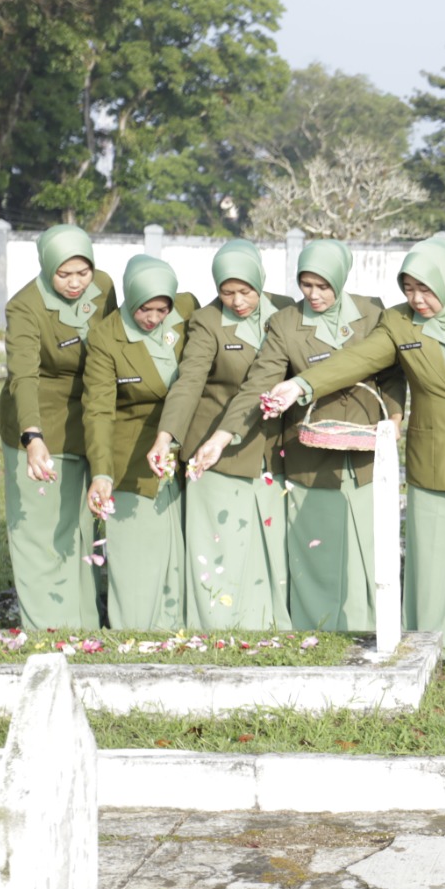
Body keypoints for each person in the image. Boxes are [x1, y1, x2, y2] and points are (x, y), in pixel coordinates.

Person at [259, 237, 445, 663]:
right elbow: (357, 360)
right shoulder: (399, 323)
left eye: (425, 289)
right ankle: (436, 638)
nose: (417, 298)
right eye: (408, 288)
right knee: (437, 554)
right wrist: (301, 384)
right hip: (435, 453)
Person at [193, 238, 406, 632]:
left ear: (340, 279)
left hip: (366, 453)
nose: (314, 294)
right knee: (317, 549)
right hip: (311, 452)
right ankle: (318, 630)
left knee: (372, 548)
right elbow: (258, 382)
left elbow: (392, 371)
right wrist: (222, 436)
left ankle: (375, 627)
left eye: (323, 285)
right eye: (306, 285)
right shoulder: (286, 323)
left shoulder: (373, 312)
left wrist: (394, 416)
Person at [152, 240, 294, 629]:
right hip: (215, 449)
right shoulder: (207, 321)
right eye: (226, 291)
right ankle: (216, 627)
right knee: (220, 545)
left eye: (245, 291)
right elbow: (189, 382)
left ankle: (267, 626)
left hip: (273, 448)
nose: (237, 300)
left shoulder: (287, 310)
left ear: (260, 282)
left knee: (269, 545)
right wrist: (167, 436)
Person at [0, 224, 117, 631]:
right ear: (46, 267)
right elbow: (23, 377)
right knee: (40, 530)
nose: (75, 282)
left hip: (89, 418)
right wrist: (32, 437)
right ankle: (48, 628)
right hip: (40, 423)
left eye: (82, 272)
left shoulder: (103, 287)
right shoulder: (25, 307)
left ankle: (83, 620)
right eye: (64, 274)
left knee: (79, 528)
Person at [82, 254, 197, 628]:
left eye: (162, 308)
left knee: (177, 553)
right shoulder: (105, 337)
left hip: (186, 449)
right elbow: (99, 409)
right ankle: (132, 632)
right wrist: (102, 472)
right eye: (145, 309)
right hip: (131, 455)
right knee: (135, 554)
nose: (153, 317)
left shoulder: (188, 310)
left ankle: (175, 632)